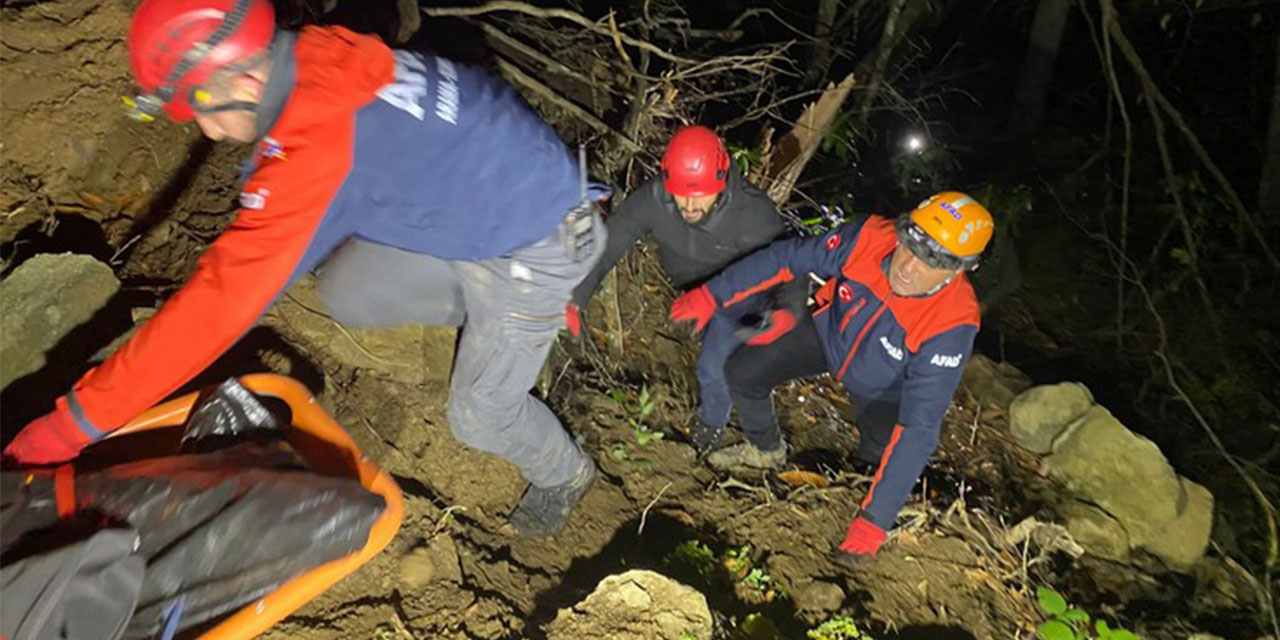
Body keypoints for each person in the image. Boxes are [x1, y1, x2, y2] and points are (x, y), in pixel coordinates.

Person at [2, 0, 608, 538]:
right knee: (349, 287)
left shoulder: (318, 140)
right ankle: (500, 318)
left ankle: (566, 472)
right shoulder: (317, 52)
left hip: (540, 241)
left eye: (203, 109)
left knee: (479, 415)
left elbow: (216, 310)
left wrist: (72, 424)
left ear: (237, 76)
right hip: (494, 199)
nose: (209, 129)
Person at [670, 192, 994, 561]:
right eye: (910, 244)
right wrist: (712, 295)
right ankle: (765, 449)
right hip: (829, 332)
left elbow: (920, 426)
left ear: (959, 269)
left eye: (931, 261)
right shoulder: (871, 237)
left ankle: (858, 502)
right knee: (743, 373)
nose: (907, 265)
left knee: (875, 460)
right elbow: (787, 258)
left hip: (885, 386)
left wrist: (875, 521)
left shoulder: (952, 322)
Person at [568, 125, 786, 452]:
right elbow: (613, 240)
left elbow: (791, 262)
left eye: (700, 195)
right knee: (713, 358)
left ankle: (708, 438)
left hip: (741, 293)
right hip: (692, 288)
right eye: (681, 193)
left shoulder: (754, 214)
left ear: (722, 181)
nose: (688, 205)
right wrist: (575, 297)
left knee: (713, 367)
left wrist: (788, 311)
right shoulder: (655, 197)